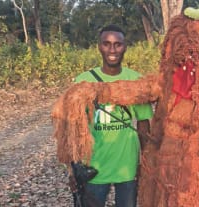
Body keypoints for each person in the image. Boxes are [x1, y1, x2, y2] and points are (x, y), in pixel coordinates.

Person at [74, 24, 153, 207]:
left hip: (127, 166)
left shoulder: (135, 80)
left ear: (125, 47)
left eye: (118, 44)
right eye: (106, 44)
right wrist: (73, 170)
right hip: (94, 166)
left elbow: (143, 123)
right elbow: (74, 128)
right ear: (99, 46)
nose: (112, 50)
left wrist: (146, 161)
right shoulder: (83, 81)